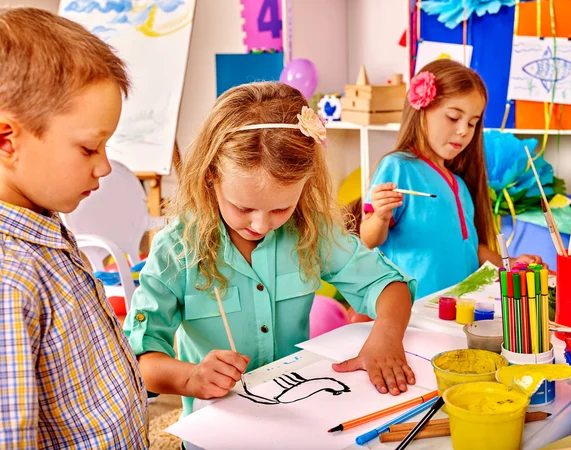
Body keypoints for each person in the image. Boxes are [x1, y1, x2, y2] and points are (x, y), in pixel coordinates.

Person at [124, 82, 417, 422]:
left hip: (298, 416)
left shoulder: (311, 231)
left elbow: (388, 286)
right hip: (216, 427)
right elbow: (140, 360)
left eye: (280, 209)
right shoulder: (177, 248)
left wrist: (386, 336)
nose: (261, 225)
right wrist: (191, 378)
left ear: (304, 186)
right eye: (243, 207)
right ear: (210, 177)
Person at [0, 7, 148, 447]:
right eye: (89, 148)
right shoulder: (10, 280)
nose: (104, 166)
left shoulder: (44, 223)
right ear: (7, 140)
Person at [360, 59, 544, 301]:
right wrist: (381, 216)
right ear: (422, 109)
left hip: (455, 309)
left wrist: (510, 264)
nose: (464, 131)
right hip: (413, 310)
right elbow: (369, 238)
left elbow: (470, 248)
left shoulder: (459, 184)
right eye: (454, 117)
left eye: (472, 123)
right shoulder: (398, 166)